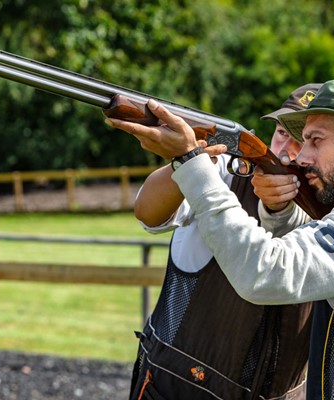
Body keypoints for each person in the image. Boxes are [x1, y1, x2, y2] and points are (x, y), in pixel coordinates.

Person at [104, 77, 334, 399]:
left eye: (313, 141)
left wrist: (190, 161)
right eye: (290, 135)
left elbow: (266, 273)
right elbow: (149, 211)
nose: (301, 156)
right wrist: (277, 212)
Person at [127, 84, 321, 400]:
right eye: (283, 132)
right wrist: (186, 161)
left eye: (307, 139)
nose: (288, 148)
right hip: (178, 389)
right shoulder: (223, 171)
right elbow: (147, 212)